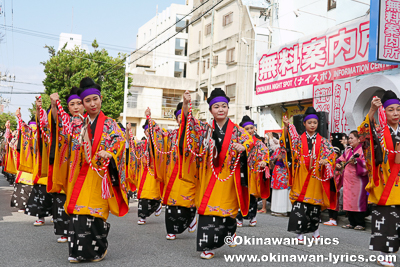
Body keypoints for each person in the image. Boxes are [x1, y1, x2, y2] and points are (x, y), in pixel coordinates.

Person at [180, 89, 254, 259]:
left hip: (229, 178)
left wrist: (244, 147)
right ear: (210, 110)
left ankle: (230, 231)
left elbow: (249, 141)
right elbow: (188, 123)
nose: (220, 109)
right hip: (209, 177)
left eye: (224, 106)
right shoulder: (204, 128)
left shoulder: (237, 130)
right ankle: (208, 247)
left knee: (228, 212)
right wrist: (185, 104)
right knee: (208, 212)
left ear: (228, 108)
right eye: (216, 107)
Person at [62, 77, 129, 263]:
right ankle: (77, 252)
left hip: (100, 176)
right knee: (78, 213)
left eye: (95, 99)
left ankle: (98, 250)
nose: (92, 104)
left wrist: (110, 152)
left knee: (96, 213)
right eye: (87, 101)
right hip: (81, 175)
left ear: (100, 99)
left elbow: (120, 141)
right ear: (83, 104)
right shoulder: (78, 124)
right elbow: (70, 146)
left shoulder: (110, 123)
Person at [358, 90, 400, 267]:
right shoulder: (379, 131)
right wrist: (371, 112)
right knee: (388, 218)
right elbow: (363, 135)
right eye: (391, 110)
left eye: (398, 109)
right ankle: (385, 253)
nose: (396, 113)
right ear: (384, 111)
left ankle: (391, 251)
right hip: (386, 181)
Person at [282, 107, 336, 244]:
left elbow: (330, 154)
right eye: (309, 122)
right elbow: (287, 145)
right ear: (304, 124)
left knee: (314, 207)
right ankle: (299, 234)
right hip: (301, 175)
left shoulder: (323, 141)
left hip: (315, 176)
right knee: (300, 206)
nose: (312, 125)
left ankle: (315, 231)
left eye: (315, 123)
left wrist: (326, 161)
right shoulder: (298, 140)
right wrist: (287, 127)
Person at [145, 102, 197, 240]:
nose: (181, 118)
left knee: (187, 201)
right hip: (172, 172)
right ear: (176, 119)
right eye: (179, 116)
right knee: (171, 203)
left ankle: (191, 219)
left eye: (184, 116)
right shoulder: (172, 134)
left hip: (189, 173)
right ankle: (171, 229)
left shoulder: (195, 134)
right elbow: (160, 135)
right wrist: (150, 121)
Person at [48, 87, 85, 243]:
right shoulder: (65, 121)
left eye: (79, 103)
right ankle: (64, 232)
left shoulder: (89, 123)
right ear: (68, 107)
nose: (76, 107)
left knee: (80, 199)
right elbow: (54, 120)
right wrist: (54, 104)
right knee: (63, 199)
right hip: (66, 166)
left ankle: (80, 231)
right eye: (72, 104)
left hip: (83, 167)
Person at [21, 101, 54, 227]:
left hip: (58, 169)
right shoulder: (41, 131)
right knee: (41, 194)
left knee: (57, 197)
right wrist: (38, 108)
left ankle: (55, 216)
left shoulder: (64, 127)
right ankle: (41, 216)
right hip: (42, 169)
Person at [236, 115, 269, 227]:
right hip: (241, 170)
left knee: (252, 195)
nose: (250, 130)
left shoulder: (258, 142)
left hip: (253, 172)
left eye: (251, 128)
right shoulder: (238, 141)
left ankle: (253, 216)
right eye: (247, 129)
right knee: (240, 193)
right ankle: (239, 217)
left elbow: (265, 152)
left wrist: (264, 161)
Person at [129, 120, 162, 225]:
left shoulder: (160, 144)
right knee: (143, 196)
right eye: (148, 131)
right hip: (144, 173)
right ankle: (142, 216)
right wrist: (129, 131)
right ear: (145, 133)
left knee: (154, 194)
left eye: (152, 131)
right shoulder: (142, 144)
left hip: (155, 173)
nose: (150, 133)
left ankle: (157, 205)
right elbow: (131, 144)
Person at [336, 131, 368, 230]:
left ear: (359, 139)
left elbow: (367, 163)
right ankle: (351, 222)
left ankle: (360, 223)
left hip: (358, 180)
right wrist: (338, 164)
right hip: (348, 179)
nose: (349, 140)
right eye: (348, 138)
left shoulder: (364, 150)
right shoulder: (348, 150)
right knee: (348, 200)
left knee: (358, 200)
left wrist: (357, 161)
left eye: (352, 138)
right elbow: (340, 159)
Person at [270, 145, 291, 217]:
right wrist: (276, 158)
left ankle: (284, 210)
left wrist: (283, 158)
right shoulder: (278, 149)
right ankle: (276, 209)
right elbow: (272, 158)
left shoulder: (290, 148)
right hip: (277, 171)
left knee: (284, 190)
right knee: (277, 191)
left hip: (284, 171)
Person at [323, 147, 343, 226]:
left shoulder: (339, 163)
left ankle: (334, 219)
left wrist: (339, 168)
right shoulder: (329, 162)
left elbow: (340, 173)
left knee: (335, 202)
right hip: (330, 183)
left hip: (335, 184)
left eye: (336, 154)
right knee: (329, 201)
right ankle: (330, 218)